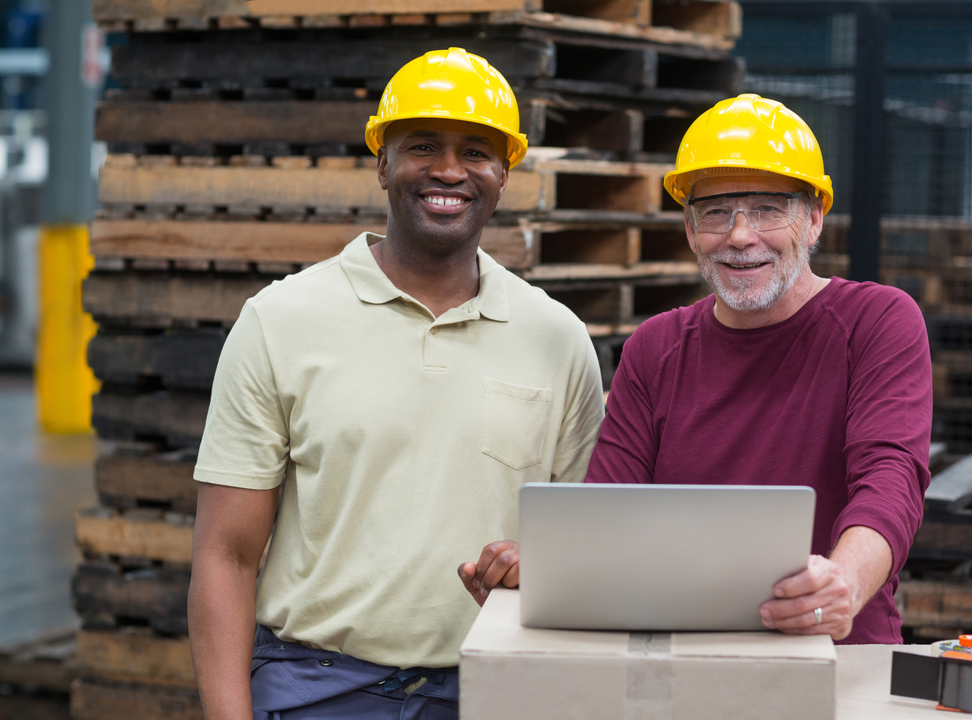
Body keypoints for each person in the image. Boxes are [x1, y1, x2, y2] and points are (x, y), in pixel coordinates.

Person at [187, 47, 604, 720]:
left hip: (496, 692)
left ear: (504, 175)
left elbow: (588, 550)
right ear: (382, 163)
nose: (448, 170)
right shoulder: (280, 321)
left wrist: (540, 564)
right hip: (317, 692)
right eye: (422, 147)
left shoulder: (558, 339)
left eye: (475, 151)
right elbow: (225, 557)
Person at [582, 94, 932, 644]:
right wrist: (541, 568)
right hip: (686, 654)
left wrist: (844, 581)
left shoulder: (876, 322)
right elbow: (605, 511)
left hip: (838, 654)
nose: (740, 236)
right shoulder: (656, 347)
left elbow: (890, 479)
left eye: (768, 209)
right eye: (716, 212)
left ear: (813, 218)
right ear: (692, 231)